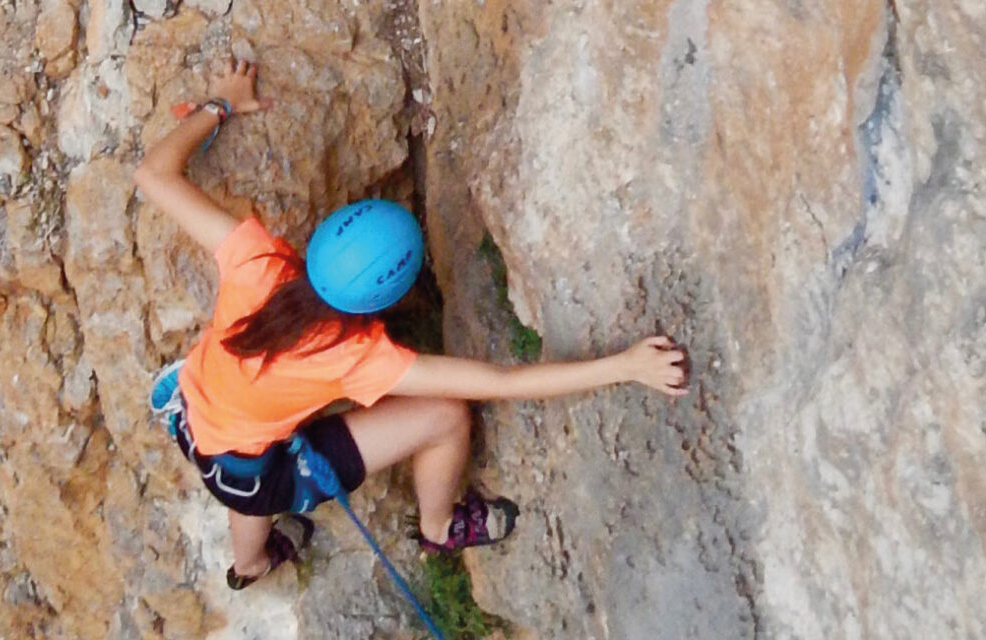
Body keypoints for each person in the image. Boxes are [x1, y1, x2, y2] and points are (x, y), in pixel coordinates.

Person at [133, 59, 692, 590]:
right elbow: (501, 383)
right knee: (446, 417)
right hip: (255, 471)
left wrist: (221, 103)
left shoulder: (257, 262)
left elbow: (153, 174)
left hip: (194, 416)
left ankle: (250, 564)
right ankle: (439, 529)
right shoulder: (360, 357)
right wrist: (626, 366)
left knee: (245, 481)